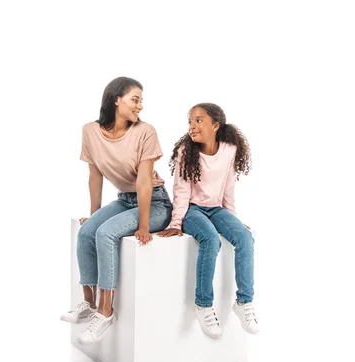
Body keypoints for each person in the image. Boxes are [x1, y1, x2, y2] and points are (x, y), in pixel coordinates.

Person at [60, 77, 172, 344]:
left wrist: (144, 225)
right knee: (88, 232)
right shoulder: (90, 131)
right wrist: (94, 213)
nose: (140, 107)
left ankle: (105, 311)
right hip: (124, 200)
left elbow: (144, 180)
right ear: (115, 99)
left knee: (106, 233)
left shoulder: (146, 131)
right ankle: (88, 302)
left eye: (141, 101)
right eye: (135, 100)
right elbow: (95, 176)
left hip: (155, 203)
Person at [158, 103, 259, 339]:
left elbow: (228, 187)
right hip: (192, 210)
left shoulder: (229, 149)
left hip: (216, 209)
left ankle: (244, 302)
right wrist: (176, 223)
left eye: (199, 120)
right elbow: (181, 190)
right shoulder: (186, 151)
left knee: (245, 237)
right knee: (211, 239)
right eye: (190, 121)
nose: (192, 125)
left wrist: (232, 219)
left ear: (216, 125)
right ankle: (203, 305)